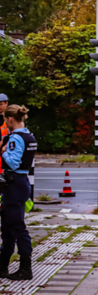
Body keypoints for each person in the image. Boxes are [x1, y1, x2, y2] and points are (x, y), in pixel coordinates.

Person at [1, 105, 35, 280]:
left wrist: (3, 152)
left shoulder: (16, 138)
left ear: (10, 119)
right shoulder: (29, 136)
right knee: (8, 226)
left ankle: (25, 268)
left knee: (17, 227)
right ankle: (2, 266)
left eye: (5, 120)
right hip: (22, 182)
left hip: (15, 183)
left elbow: (14, 162)